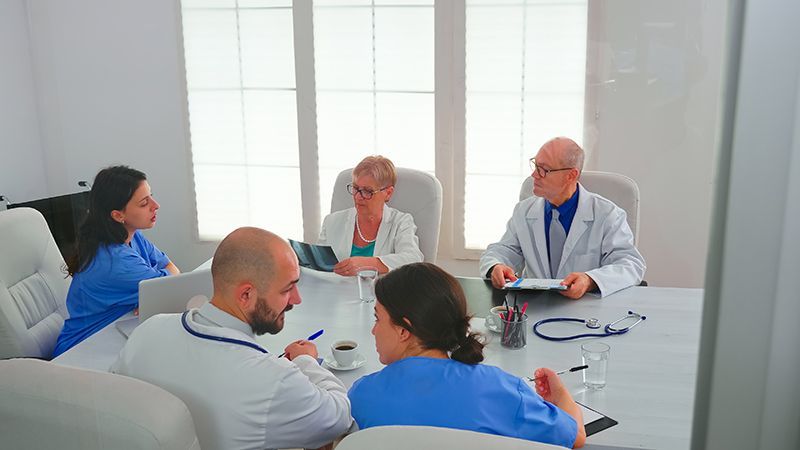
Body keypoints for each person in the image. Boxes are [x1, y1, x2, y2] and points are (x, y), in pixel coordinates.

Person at [112, 227, 352, 450]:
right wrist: (305, 361)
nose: (296, 299)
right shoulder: (272, 380)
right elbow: (339, 417)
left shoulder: (147, 331)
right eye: (287, 289)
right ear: (246, 295)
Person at [348, 262, 586, 449]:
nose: (373, 329)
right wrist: (561, 395)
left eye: (378, 318)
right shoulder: (500, 389)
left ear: (403, 331)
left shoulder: (362, 395)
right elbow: (574, 436)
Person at [479, 137, 646, 298]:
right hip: (534, 306)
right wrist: (496, 265)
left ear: (571, 175)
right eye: (535, 165)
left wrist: (590, 280)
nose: (534, 175)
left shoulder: (608, 214)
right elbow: (505, 249)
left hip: (584, 310)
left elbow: (630, 265)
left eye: (543, 169)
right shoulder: (524, 211)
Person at [52, 166, 179, 357]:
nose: (156, 205)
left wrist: (151, 295)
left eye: (151, 196)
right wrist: (151, 295)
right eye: (144, 203)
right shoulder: (116, 262)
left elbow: (171, 272)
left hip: (112, 332)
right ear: (118, 215)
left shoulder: (131, 236)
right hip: (80, 351)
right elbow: (172, 286)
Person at [318, 155, 423, 276]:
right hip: (337, 292)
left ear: (388, 193)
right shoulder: (331, 221)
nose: (358, 197)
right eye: (356, 188)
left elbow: (413, 258)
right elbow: (319, 266)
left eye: (367, 191)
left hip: (381, 294)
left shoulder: (401, 222)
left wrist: (367, 263)